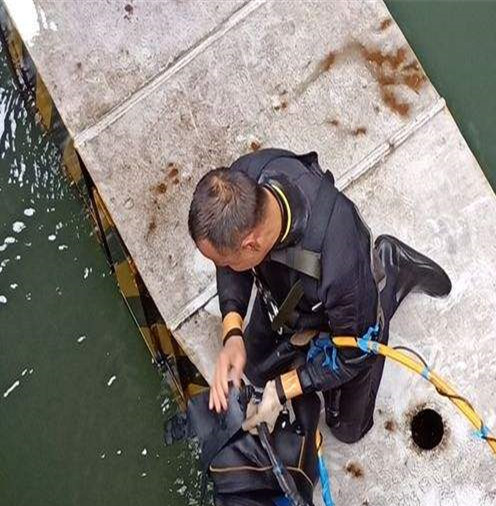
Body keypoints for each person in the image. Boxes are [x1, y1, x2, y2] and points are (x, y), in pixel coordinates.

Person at [187, 147, 451, 444]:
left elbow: (356, 355)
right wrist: (232, 331)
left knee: (347, 429)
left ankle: (392, 267)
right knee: (254, 369)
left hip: (342, 309)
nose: (223, 268)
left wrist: (285, 386)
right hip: (288, 299)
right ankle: (294, 334)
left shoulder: (341, 261)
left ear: (251, 245)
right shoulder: (241, 184)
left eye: (226, 262)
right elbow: (229, 263)